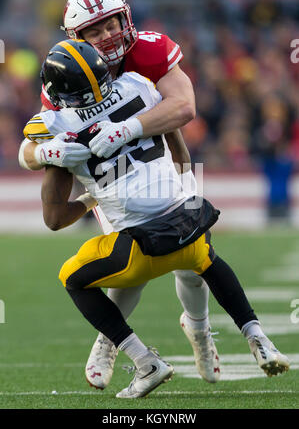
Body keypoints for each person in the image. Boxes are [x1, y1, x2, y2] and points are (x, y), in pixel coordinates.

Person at [23, 40, 289, 398]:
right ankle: (257, 337)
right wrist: (187, 185)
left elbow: (53, 219)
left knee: (72, 278)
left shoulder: (56, 124)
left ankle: (143, 359)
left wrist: (45, 157)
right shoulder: (137, 85)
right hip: (188, 238)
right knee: (207, 257)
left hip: (137, 252)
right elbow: (174, 128)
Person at [19, 0, 221, 388]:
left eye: (112, 23)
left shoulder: (148, 50)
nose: (108, 35)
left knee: (194, 258)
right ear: (76, 38)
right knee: (128, 267)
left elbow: (183, 108)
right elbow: (33, 143)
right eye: (95, 31)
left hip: (166, 161)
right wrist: (46, 154)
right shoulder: (67, 69)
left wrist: (126, 129)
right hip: (114, 178)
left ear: (125, 18)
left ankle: (199, 331)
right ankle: (111, 339)